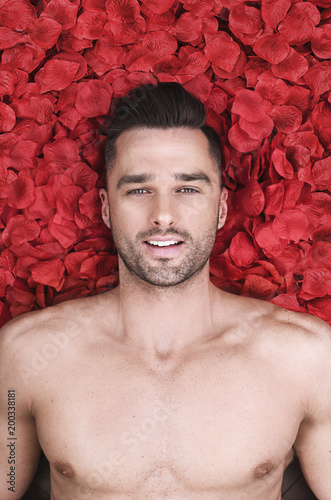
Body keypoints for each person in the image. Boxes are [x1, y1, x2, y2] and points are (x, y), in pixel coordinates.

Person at [0, 82, 330, 500]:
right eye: (139, 190)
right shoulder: (26, 354)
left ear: (223, 207)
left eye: (188, 189)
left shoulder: (306, 357)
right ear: (105, 206)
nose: (163, 215)